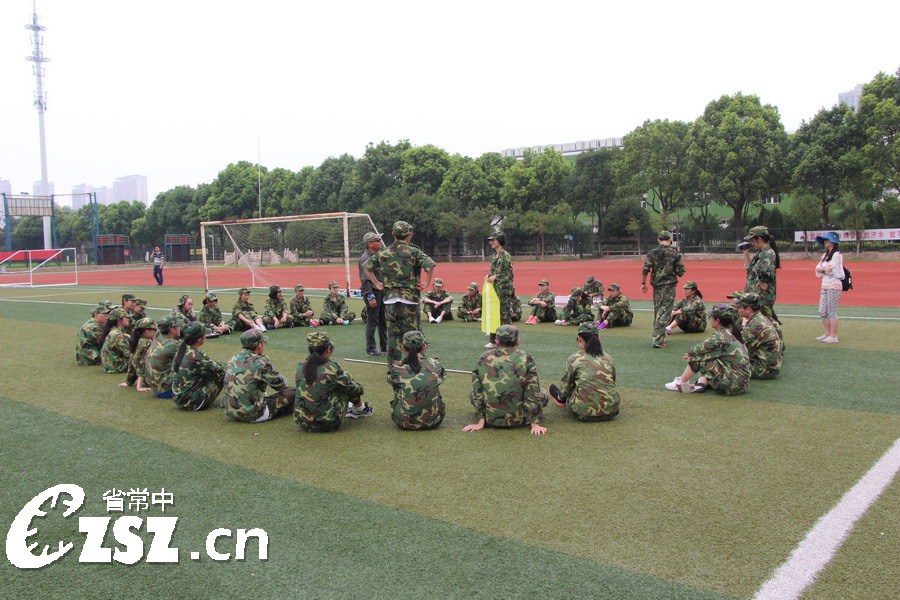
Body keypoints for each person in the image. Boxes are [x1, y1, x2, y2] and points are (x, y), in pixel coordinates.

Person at [362, 220, 436, 363]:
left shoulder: (384, 252)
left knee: (393, 335)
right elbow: (430, 265)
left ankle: (393, 367)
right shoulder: (413, 251)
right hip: (410, 299)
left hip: (390, 299)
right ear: (408, 235)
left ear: (393, 234)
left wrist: (377, 283)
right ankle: (414, 365)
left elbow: (366, 266)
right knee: (413, 335)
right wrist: (426, 283)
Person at [462, 325, 548, 435]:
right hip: (520, 420)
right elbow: (532, 389)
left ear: (497, 342)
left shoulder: (484, 357)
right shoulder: (526, 357)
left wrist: (480, 422)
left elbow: (477, 390)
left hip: (491, 420)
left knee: (472, 393)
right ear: (517, 341)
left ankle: (482, 419)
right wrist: (534, 423)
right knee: (543, 394)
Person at [294, 332, 373, 432]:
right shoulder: (331, 368)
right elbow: (353, 388)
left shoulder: (300, 366)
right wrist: (360, 388)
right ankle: (360, 408)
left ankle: (358, 408)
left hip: (302, 422)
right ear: (328, 349)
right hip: (328, 423)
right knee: (347, 378)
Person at [664, 304, 750, 395]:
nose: (709, 319)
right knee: (708, 357)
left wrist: (689, 355)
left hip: (732, 385)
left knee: (699, 358)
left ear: (717, 321)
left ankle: (681, 382)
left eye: (711, 317)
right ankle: (701, 384)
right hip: (742, 383)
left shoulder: (720, 337)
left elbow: (696, 351)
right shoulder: (732, 332)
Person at [548, 322, 620, 422]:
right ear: (598, 339)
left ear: (580, 338)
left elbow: (566, 389)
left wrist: (561, 397)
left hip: (584, 413)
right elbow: (612, 381)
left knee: (563, 390)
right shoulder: (609, 358)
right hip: (612, 410)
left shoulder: (574, 359)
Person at [223, 329, 296, 422]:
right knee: (294, 391)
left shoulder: (233, 358)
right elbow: (281, 385)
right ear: (259, 346)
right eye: (263, 343)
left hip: (229, 412)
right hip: (253, 414)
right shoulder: (260, 362)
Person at [386, 330, 446, 430]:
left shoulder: (396, 368)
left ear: (402, 347)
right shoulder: (435, 364)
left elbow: (390, 380)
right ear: (424, 346)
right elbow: (441, 377)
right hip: (434, 420)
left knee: (398, 387)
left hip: (404, 422)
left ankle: (406, 411)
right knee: (433, 384)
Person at [642, 230, 687, 348]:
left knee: (658, 310)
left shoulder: (652, 253)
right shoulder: (675, 253)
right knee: (665, 312)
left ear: (658, 240)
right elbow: (681, 272)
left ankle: (658, 336)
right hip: (669, 286)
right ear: (670, 240)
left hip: (656, 286)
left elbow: (646, 269)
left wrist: (643, 283)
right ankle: (657, 340)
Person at [171, 322, 226, 411]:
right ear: (199, 339)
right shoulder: (194, 356)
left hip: (179, 397)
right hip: (192, 402)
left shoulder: (183, 348)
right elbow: (218, 369)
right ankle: (232, 400)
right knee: (221, 375)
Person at [735, 293, 782, 379]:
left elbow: (736, 347)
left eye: (739, 307)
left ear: (748, 310)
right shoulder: (758, 318)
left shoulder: (755, 325)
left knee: (727, 364)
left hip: (764, 369)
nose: (737, 309)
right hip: (767, 364)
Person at [742, 225, 781, 325]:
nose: (752, 243)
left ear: (759, 239)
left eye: (753, 240)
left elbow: (763, 271)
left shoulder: (768, 253)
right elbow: (752, 270)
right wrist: (745, 253)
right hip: (755, 295)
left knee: (764, 323)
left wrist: (762, 281)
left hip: (762, 297)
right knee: (757, 323)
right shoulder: (761, 253)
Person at [484, 232, 516, 347]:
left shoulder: (505, 256)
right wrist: (488, 276)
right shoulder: (494, 256)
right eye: (491, 240)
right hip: (495, 290)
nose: (491, 242)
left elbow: (509, 274)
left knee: (504, 315)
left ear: (500, 241)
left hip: (503, 290)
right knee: (493, 314)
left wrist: (495, 277)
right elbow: (493, 271)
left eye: (494, 240)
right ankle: (493, 340)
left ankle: (510, 340)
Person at [359, 232, 387, 357]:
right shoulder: (366, 258)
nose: (380, 242)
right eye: (377, 240)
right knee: (372, 321)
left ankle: (384, 346)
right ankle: (370, 349)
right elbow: (365, 280)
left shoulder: (376, 255)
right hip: (372, 292)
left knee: (382, 320)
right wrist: (370, 297)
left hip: (380, 292)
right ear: (370, 244)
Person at [814, 231, 844, 343]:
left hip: (834, 285)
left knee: (831, 310)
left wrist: (823, 270)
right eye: (825, 240)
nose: (826, 241)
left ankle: (833, 335)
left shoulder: (837, 255)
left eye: (828, 239)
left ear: (834, 241)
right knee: (822, 310)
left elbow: (830, 269)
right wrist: (823, 269)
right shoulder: (825, 256)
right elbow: (818, 269)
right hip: (825, 285)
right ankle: (827, 333)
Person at [144, 316, 183, 398]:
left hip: (155, 388)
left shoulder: (156, 338)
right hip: (167, 390)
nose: (180, 328)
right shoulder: (174, 344)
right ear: (172, 330)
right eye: (178, 327)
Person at [119, 317, 157, 391]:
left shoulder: (137, 341)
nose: (156, 332)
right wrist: (139, 387)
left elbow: (132, 363)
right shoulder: (147, 343)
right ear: (146, 331)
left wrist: (129, 382)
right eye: (154, 330)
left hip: (147, 378)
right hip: (151, 379)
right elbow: (143, 364)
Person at [100, 308, 132, 374]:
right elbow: (129, 353)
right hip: (116, 367)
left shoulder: (112, 331)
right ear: (119, 320)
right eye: (126, 317)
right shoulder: (117, 334)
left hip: (109, 365)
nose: (128, 319)